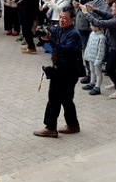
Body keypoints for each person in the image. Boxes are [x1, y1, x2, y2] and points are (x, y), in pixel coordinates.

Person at [33, 8, 83, 137]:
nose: (61, 20)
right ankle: (73, 125)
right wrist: (45, 39)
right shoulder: (58, 29)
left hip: (69, 70)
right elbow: (49, 50)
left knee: (54, 98)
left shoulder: (74, 34)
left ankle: (50, 127)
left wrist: (50, 41)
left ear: (73, 20)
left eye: (65, 18)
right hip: (60, 67)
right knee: (66, 99)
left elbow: (66, 51)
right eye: (60, 17)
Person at [85, 0, 116, 100]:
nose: (111, 9)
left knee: (110, 68)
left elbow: (98, 23)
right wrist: (94, 10)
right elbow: (108, 15)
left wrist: (86, 13)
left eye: (113, 7)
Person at [82, 23, 107, 96]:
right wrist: (86, 55)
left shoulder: (102, 37)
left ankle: (97, 87)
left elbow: (101, 50)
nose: (90, 26)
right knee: (92, 70)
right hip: (91, 57)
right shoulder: (92, 34)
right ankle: (92, 82)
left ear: (97, 27)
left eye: (92, 25)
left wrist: (99, 60)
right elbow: (88, 45)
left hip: (97, 59)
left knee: (98, 73)